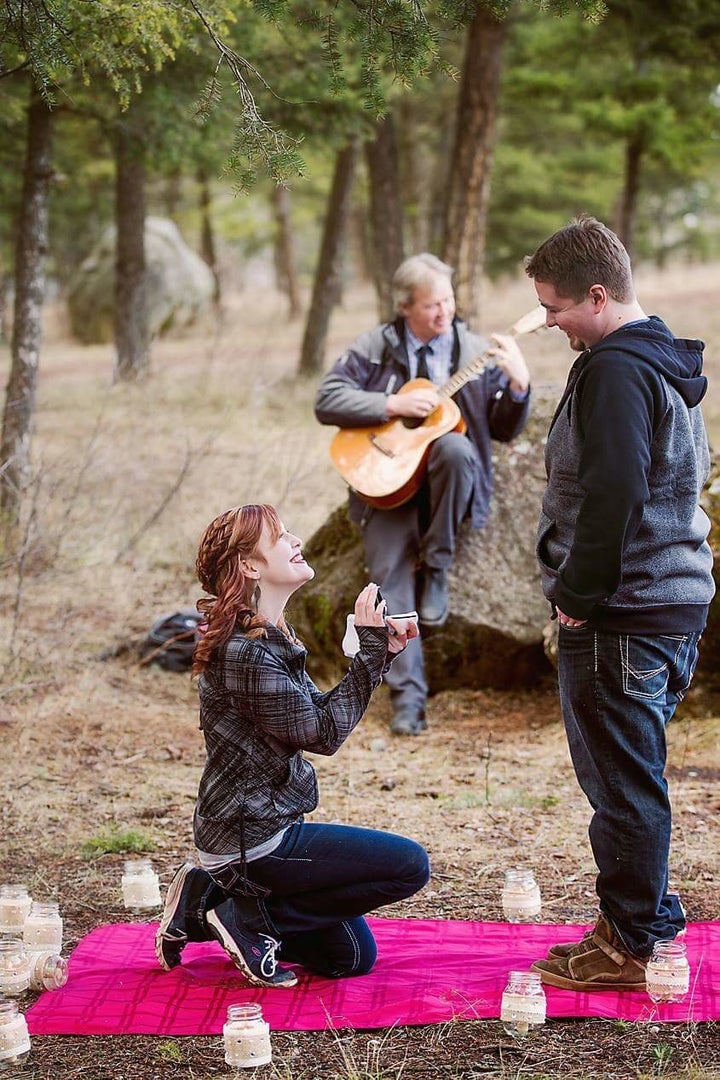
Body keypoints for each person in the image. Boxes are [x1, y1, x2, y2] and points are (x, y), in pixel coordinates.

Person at [522, 216, 715, 990]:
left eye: (556, 307)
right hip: (661, 607)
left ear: (598, 296)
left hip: (624, 616)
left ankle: (629, 948)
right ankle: (635, 920)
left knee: (623, 786)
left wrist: (576, 597)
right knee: (631, 777)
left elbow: (617, 492)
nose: (549, 322)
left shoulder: (618, 371)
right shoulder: (649, 353)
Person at [155, 503, 430, 988]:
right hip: (251, 839)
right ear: (250, 565)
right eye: (280, 537)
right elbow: (324, 736)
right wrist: (368, 657)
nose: (296, 541)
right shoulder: (244, 652)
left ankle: (203, 905)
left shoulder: (271, 634)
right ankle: (245, 921)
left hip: (266, 824)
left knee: (350, 960)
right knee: (410, 866)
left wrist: (377, 653)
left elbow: (310, 721)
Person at [314, 253, 531, 736]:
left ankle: (437, 564)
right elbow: (327, 399)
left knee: (454, 447)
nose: (444, 312)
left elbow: (504, 428)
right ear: (405, 306)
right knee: (390, 589)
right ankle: (408, 701)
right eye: (432, 304)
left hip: (447, 491)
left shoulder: (473, 349)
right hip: (387, 489)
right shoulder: (376, 346)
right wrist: (391, 403)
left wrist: (519, 385)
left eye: (448, 300)